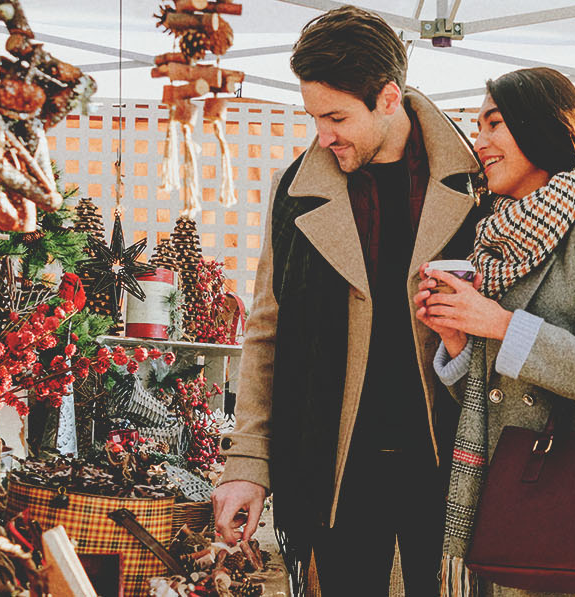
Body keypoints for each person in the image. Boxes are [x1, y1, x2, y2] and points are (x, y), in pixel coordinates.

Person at [209, 7, 488, 596]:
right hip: (332, 472)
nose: (323, 135)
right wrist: (249, 467)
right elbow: (266, 332)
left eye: (336, 117)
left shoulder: (479, 186)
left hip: (450, 470)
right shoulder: (297, 191)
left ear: (390, 98)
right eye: (314, 117)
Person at [416, 67, 575, 597]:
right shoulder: (501, 236)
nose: (479, 142)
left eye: (494, 124)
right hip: (502, 501)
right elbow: (500, 399)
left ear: (538, 127)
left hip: (570, 513)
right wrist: (460, 341)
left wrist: (499, 324)